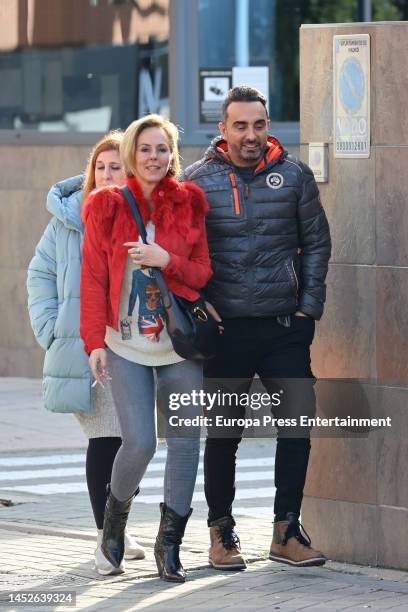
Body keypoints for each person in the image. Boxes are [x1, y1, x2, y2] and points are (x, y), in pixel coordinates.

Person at [182, 86, 331, 569]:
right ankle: (221, 534)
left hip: (284, 325)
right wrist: (201, 308)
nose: (251, 135)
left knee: (296, 426)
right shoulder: (196, 182)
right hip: (225, 332)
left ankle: (286, 531)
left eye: (259, 124)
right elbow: (180, 256)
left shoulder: (294, 176)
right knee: (224, 434)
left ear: (269, 126)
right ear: (222, 130)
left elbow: (317, 245)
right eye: (240, 125)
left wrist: (308, 310)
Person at [79, 114, 212, 583]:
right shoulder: (106, 206)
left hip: (177, 346)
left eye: (163, 149)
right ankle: (113, 525)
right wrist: (94, 343)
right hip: (125, 345)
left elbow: (201, 273)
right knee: (138, 442)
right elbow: (93, 279)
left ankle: (169, 544)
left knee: (184, 443)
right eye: (146, 149)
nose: (154, 157)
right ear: (132, 153)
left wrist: (166, 260)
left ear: (173, 155)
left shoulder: (191, 202)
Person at [27, 131, 145, 576]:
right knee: (108, 437)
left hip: (135, 344)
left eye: (118, 167)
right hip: (87, 348)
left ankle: (116, 529)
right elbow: (39, 275)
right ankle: (106, 537)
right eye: (102, 167)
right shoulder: (68, 220)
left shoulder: (140, 215)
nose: (109, 174)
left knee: (135, 442)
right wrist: (52, 329)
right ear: (91, 171)